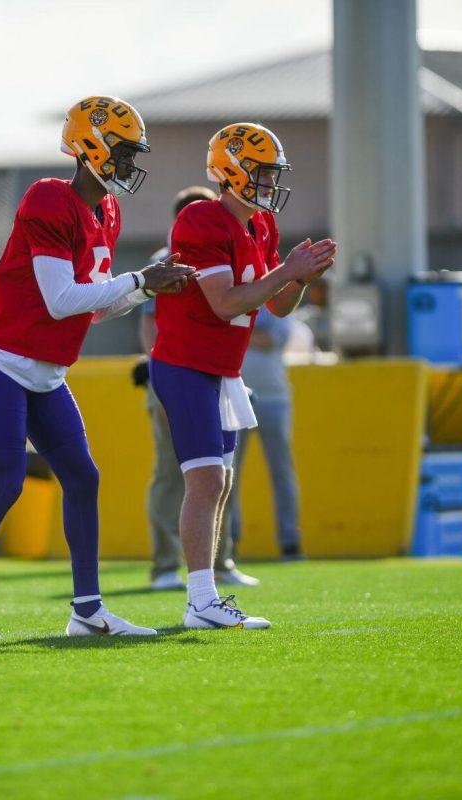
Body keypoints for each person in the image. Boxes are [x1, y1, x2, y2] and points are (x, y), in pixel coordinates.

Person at [0, 96, 194, 640]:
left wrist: (146, 287)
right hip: (4, 358)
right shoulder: (50, 198)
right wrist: (142, 281)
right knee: (4, 483)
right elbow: (58, 299)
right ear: (89, 146)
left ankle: (87, 611)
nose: (127, 164)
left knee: (82, 477)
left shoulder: (108, 211)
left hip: (46, 369)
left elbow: (92, 307)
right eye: (121, 151)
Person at [150, 122, 335, 630]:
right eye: (263, 175)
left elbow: (276, 304)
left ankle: (204, 597)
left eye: (274, 176)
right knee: (205, 479)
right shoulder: (201, 219)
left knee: (221, 479)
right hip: (186, 364)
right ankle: (200, 600)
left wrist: (299, 276)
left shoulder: (262, 226)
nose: (271, 186)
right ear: (234, 171)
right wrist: (288, 268)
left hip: (223, 370)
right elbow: (226, 300)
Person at [136, 186, 217, 592]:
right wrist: (160, 379)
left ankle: (220, 560)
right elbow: (149, 324)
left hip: (210, 374)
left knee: (217, 474)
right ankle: (165, 565)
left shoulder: (223, 250)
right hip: (173, 375)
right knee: (171, 473)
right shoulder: (164, 261)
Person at [223, 304, 304, 570]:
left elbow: (273, 340)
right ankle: (228, 543)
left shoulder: (277, 304)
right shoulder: (229, 296)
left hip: (273, 398)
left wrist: (236, 331)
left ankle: (290, 541)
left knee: (282, 472)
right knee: (229, 474)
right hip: (235, 398)